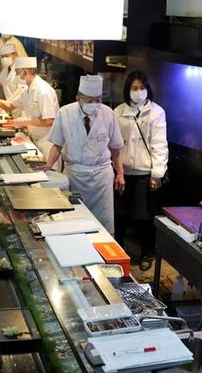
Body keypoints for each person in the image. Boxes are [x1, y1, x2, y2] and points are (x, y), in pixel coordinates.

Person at [42, 74, 124, 233]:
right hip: (75, 174)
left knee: (103, 226)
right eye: (89, 100)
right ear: (78, 98)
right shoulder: (65, 113)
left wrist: (120, 172)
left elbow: (116, 147)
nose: (94, 104)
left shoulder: (108, 113)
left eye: (98, 100)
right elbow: (57, 144)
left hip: (102, 177)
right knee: (74, 222)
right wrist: (49, 165)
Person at [113, 71, 168, 270]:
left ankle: (147, 253)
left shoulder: (156, 112)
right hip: (122, 172)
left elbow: (160, 144)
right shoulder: (118, 112)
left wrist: (157, 174)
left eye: (142, 88)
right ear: (127, 90)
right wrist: (116, 169)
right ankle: (117, 252)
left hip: (145, 173)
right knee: (120, 215)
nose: (139, 92)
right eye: (134, 88)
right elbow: (114, 144)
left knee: (145, 216)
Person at [0, 57, 59, 163]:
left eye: (17, 72)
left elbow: (49, 121)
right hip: (34, 139)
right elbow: (9, 105)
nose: (17, 75)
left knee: (49, 176)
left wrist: (24, 122)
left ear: (25, 72)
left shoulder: (43, 91)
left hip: (47, 143)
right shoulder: (27, 90)